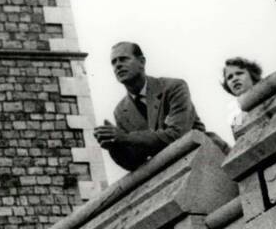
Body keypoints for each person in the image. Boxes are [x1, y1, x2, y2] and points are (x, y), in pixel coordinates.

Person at [95, 41, 225, 171]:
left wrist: (126, 138)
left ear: (142, 62)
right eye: (114, 62)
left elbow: (177, 135)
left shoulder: (174, 87)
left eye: (123, 59)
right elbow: (135, 162)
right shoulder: (120, 111)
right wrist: (114, 146)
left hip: (209, 159)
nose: (118, 65)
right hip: (172, 169)